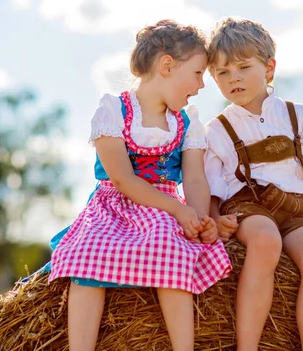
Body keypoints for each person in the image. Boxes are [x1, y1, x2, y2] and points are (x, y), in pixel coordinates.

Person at [47, 19, 232, 351]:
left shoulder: (187, 122)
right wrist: (178, 209)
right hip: (114, 205)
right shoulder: (113, 111)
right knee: (88, 253)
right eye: (197, 73)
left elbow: (193, 177)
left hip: (164, 206)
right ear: (166, 66)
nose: (202, 84)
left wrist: (199, 218)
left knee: (171, 245)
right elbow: (122, 178)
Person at [205, 17, 303, 351]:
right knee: (265, 240)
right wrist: (216, 218)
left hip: (294, 208)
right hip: (247, 207)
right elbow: (212, 184)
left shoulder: (299, 117)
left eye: (243, 68)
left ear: (269, 68)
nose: (234, 79)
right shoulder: (216, 131)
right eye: (223, 73)